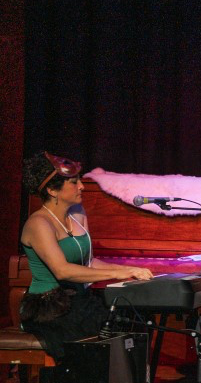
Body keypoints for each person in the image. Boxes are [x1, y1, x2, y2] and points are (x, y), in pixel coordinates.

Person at [19, 152, 153, 358]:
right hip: (48, 307)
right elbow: (62, 271)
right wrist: (118, 273)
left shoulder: (78, 213)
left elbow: (89, 262)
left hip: (77, 300)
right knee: (98, 339)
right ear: (52, 190)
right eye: (74, 182)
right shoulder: (39, 223)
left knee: (129, 323)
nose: (81, 186)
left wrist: (130, 271)